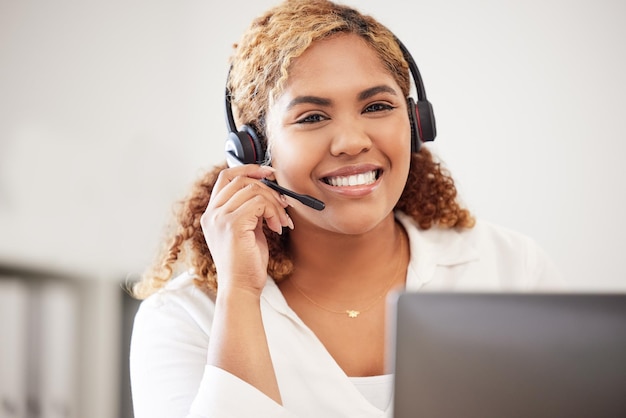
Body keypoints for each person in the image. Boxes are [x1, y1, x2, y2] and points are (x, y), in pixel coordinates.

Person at [129, 0, 563, 417]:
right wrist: (240, 293)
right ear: (253, 150)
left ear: (416, 124)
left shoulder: (510, 270)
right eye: (312, 117)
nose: (352, 141)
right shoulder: (185, 318)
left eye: (377, 107)